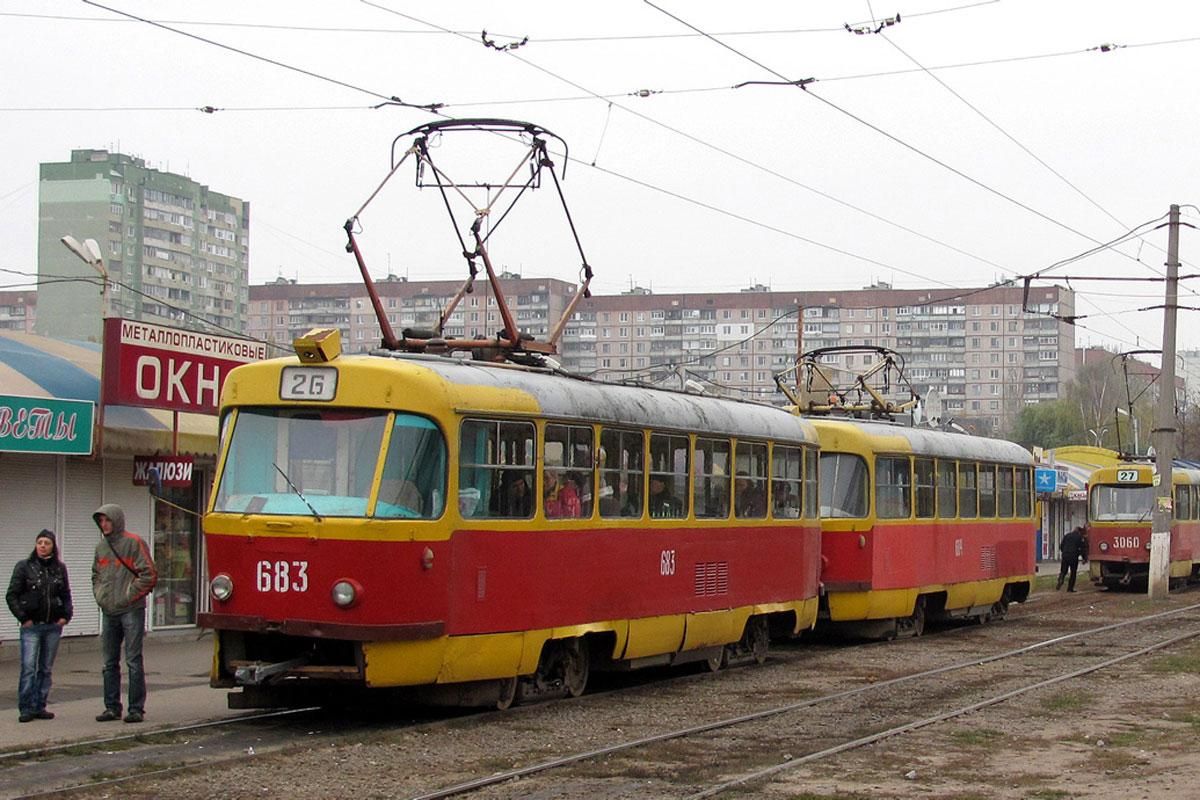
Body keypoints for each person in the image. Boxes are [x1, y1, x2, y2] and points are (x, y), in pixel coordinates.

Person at [92, 504, 158, 723]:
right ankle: (111, 707)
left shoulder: (134, 543)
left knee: (133, 660)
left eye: (107, 520)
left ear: (116, 520)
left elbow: (149, 574)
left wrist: (129, 596)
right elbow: (96, 575)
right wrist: (100, 596)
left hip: (131, 609)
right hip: (109, 610)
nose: (104, 524)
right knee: (109, 662)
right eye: (101, 521)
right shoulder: (101, 547)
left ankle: (136, 708)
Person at [6, 529, 72, 723]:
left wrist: (65, 616)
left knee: (45, 668)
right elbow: (12, 595)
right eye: (40, 542)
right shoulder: (24, 567)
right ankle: (26, 707)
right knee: (29, 668)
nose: (43, 546)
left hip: (53, 626)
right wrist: (23, 617)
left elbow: (66, 594)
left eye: (47, 543)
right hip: (32, 626)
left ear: (53, 546)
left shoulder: (59, 568)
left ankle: (39, 705)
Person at [1057, 525, 1088, 592]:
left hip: (1065, 555)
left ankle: (1061, 579)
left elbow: (1061, 546)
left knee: (1063, 570)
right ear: (1079, 532)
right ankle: (1070, 588)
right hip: (1073, 556)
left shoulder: (1067, 535)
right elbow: (1083, 548)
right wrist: (1084, 558)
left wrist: (1064, 552)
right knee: (1073, 572)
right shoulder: (1079, 537)